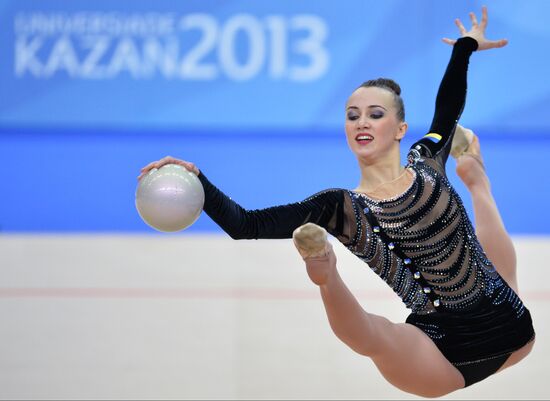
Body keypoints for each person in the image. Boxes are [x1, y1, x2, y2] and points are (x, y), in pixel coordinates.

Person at [138, 7, 535, 397]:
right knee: (377, 334)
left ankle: (476, 180)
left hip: (515, 328)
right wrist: (198, 181)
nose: (361, 121)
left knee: (491, 268)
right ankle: (324, 270)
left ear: (399, 129)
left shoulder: (427, 158)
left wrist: (465, 45)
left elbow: (448, 108)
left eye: (374, 114)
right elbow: (246, 225)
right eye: (352, 115)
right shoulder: (339, 207)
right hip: (442, 358)